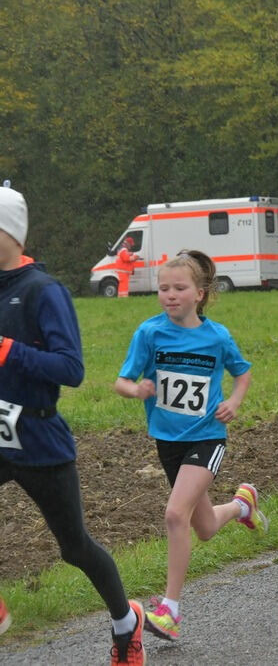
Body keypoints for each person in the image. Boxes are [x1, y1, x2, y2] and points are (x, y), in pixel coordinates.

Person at [0, 186, 146, 664]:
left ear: (7, 231)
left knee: (74, 547)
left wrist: (10, 352)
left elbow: (72, 369)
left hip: (40, 437)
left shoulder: (44, 291)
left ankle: (126, 623)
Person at [115, 250, 266, 641]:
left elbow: (243, 373)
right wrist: (137, 390)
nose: (169, 295)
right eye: (163, 288)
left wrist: (233, 402)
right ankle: (242, 504)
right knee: (204, 527)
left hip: (207, 437)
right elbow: (122, 381)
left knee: (174, 515)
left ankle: (171, 610)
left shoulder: (216, 337)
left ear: (199, 293)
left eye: (179, 288)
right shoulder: (149, 333)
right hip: (168, 443)